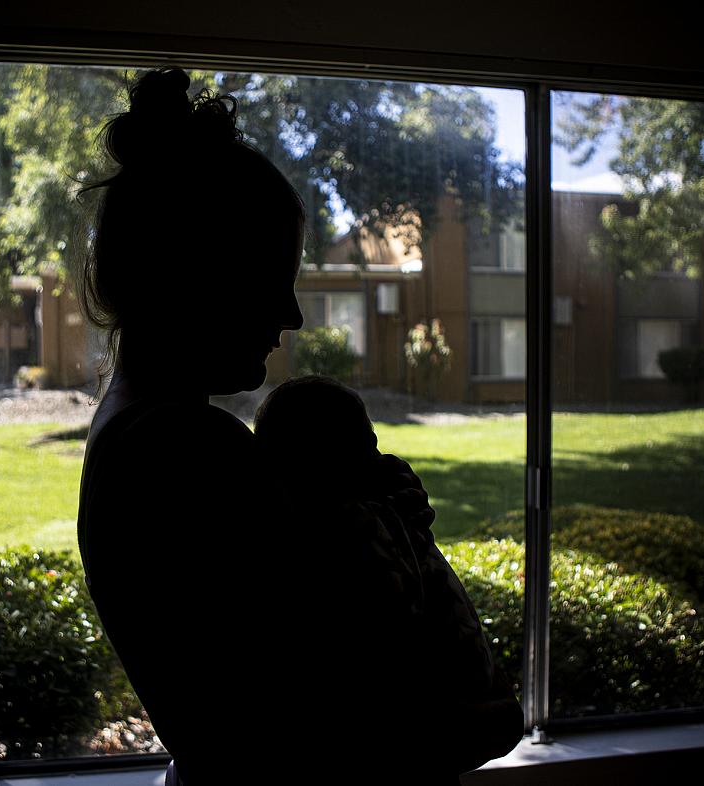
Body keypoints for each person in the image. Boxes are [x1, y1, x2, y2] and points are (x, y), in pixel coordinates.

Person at [74, 67, 521, 786]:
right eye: (271, 281)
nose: (291, 316)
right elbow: (327, 718)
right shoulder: (189, 452)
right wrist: (479, 716)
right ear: (197, 274)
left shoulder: (140, 431)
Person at [252, 375, 499, 706]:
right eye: (367, 446)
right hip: (450, 699)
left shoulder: (361, 522)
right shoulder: (369, 521)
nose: (379, 457)